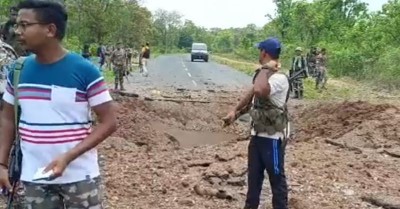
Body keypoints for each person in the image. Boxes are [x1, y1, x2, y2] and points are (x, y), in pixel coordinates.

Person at [0, 1, 117, 209]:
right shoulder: (18, 71)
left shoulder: (84, 71)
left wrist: (68, 157)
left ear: (50, 30)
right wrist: (2, 164)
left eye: (24, 25)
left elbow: (109, 122)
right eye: (17, 25)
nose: (18, 31)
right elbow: (7, 119)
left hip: (81, 179)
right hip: (33, 178)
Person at [223, 37, 289, 209]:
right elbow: (251, 93)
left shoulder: (279, 79)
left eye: (259, 51)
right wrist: (235, 111)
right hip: (257, 136)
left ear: (264, 53)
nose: (258, 54)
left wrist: (265, 69)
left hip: (272, 139)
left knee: (277, 181)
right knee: (253, 181)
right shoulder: (266, 74)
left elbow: (259, 90)